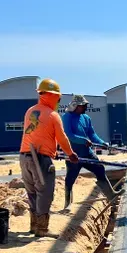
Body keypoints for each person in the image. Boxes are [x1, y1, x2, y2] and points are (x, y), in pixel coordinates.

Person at [19, 78, 79, 236]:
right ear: (53, 96)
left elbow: (38, 135)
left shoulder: (30, 111)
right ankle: (42, 229)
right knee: (44, 193)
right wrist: (70, 154)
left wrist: (53, 151)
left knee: (31, 191)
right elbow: (62, 138)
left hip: (24, 157)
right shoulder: (53, 115)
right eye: (58, 98)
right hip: (39, 160)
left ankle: (33, 226)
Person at [61, 95, 119, 207]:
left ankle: (111, 195)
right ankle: (67, 203)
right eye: (83, 106)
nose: (85, 108)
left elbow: (92, 134)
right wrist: (83, 140)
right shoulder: (67, 117)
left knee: (100, 169)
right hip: (73, 155)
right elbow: (69, 135)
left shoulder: (86, 118)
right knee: (70, 179)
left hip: (87, 153)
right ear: (76, 106)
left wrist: (102, 143)